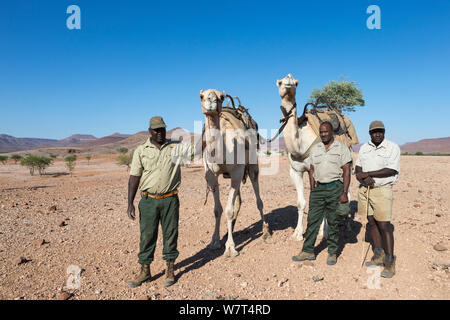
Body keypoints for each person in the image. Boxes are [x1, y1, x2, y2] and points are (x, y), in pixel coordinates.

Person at [126, 116, 199, 288]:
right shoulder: (141, 150)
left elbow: (198, 150)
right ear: (149, 131)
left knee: (170, 234)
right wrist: (130, 203)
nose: (160, 133)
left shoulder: (176, 147)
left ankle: (170, 269)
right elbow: (134, 177)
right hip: (148, 201)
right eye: (156, 130)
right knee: (147, 236)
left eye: (163, 129)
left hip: (170, 200)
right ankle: (145, 271)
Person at [292, 121, 352, 265]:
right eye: (321, 132)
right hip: (318, 190)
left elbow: (346, 171)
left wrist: (344, 192)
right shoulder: (315, 149)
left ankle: (332, 252)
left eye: (326, 131)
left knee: (333, 221)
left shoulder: (341, 148)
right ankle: (307, 250)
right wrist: (312, 186)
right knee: (312, 220)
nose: (323, 134)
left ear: (332, 132)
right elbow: (311, 168)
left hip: (335, 188)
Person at [355, 120, 400, 278]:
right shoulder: (364, 148)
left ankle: (389, 261)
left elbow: (391, 169)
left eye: (380, 131)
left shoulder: (392, 147)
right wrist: (362, 177)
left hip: (382, 191)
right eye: (374, 132)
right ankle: (378, 255)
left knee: (384, 225)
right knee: (371, 222)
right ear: (370, 133)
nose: (377, 134)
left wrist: (369, 174)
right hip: (365, 190)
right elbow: (358, 167)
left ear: (384, 132)